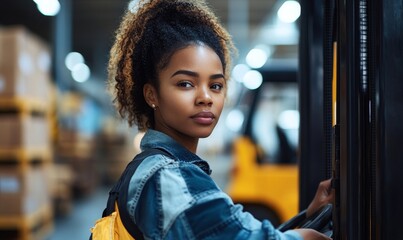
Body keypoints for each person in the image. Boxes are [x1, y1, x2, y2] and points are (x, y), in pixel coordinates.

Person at [106, 0, 334, 239]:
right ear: (152, 94)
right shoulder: (168, 177)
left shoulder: (154, 169)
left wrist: (310, 215)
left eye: (215, 85)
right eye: (185, 84)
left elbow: (236, 232)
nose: (206, 97)